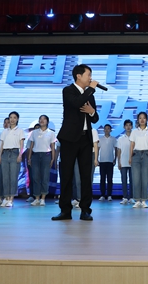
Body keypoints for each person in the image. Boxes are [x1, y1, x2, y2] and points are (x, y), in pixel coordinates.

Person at [53, 64, 100, 222]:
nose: (91, 78)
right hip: (69, 139)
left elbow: (95, 118)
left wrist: (92, 112)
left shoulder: (89, 94)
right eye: (88, 75)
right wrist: (91, 90)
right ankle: (65, 210)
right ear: (78, 76)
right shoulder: (68, 90)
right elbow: (76, 103)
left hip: (85, 139)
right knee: (67, 175)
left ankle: (85, 210)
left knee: (86, 176)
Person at [27, 115, 57, 206]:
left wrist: (53, 158)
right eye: (40, 119)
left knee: (45, 177)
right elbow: (31, 145)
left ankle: (43, 198)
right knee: (35, 177)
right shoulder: (34, 132)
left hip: (46, 155)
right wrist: (29, 157)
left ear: (47, 121)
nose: (42, 120)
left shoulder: (51, 133)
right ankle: (37, 198)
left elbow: (53, 147)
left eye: (44, 119)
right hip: (35, 155)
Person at [0, 111, 25, 208]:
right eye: (11, 117)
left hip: (14, 153)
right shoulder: (5, 131)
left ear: (17, 119)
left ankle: (11, 199)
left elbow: (22, 144)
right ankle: (6, 197)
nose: (12, 119)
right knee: (5, 177)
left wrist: (20, 155)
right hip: (5, 153)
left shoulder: (20, 130)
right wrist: (0, 156)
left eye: (14, 117)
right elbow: (2, 144)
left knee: (13, 177)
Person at [129, 111, 148, 208]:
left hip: (146, 155)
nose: (142, 120)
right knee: (136, 179)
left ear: (146, 119)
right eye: (140, 118)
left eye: (144, 118)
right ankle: (137, 200)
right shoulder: (134, 131)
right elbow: (132, 145)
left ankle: (144, 200)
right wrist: (130, 157)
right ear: (138, 120)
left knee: (145, 178)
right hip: (136, 155)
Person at [72, 128, 98, 208]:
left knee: (88, 178)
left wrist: (96, 159)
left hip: (90, 154)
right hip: (77, 155)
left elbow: (95, 145)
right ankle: (79, 198)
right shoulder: (75, 130)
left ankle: (86, 199)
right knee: (78, 179)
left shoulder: (93, 131)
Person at [96, 124, 118, 201]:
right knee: (102, 179)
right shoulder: (100, 139)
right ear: (103, 130)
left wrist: (115, 159)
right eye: (105, 129)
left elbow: (116, 149)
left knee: (109, 179)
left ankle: (109, 195)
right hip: (102, 161)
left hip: (110, 161)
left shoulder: (113, 139)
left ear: (110, 130)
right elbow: (97, 149)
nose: (106, 130)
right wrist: (96, 159)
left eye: (108, 128)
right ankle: (102, 195)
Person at [117, 119, 134, 205]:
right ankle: (125, 197)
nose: (128, 127)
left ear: (132, 126)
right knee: (124, 180)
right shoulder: (120, 139)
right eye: (126, 125)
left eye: (129, 125)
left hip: (133, 162)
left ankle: (131, 197)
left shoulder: (134, 138)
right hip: (123, 162)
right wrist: (118, 162)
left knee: (132, 181)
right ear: (124, 127)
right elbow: (119, 151)